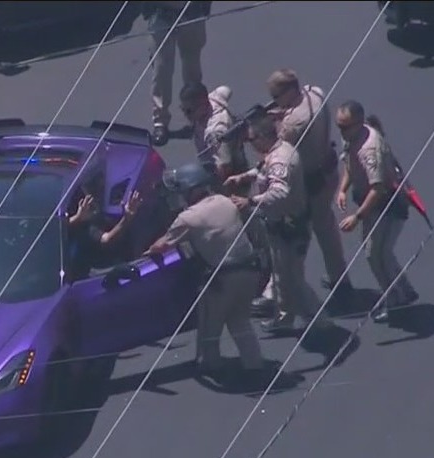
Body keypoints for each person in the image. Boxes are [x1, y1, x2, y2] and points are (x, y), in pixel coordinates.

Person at [144, 162, 268, 381]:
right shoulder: (224, 201)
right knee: (240, 320)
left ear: (190, 190)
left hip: (223, 278)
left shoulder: (188, 218)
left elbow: (162, 246)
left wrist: (147, 252)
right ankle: (255, 365)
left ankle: (210, 364)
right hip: (250, 271)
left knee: (210, 323)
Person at [226, 116, 333, 334]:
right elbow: (262, 170)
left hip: (290, 227)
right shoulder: (276, 151)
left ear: (264, 137)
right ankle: (285, 316)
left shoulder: (280, 160)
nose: (250, 143)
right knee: (280, 274)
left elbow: (279, 192)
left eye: (252, 139)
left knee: (293, 278)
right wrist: (243, 177)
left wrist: (250, 201)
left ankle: (319, 320)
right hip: (277, 225)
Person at [265, 69, 354, 312]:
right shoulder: (315, 93)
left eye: (276, 95)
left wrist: (275, 121)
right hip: (327, 168)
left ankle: (281, 291)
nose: (273, 100)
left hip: (310, 180)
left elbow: (278, 143)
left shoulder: (294, 122)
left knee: (296, 233)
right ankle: (339, 277)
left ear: (289, 91)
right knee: (326, 228)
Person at [335, 100, 419, 323]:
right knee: (384, 252)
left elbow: (378, 188)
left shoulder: (369, 149)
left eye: (345, 126)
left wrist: (357, 216)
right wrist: (343, 189)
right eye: (339, 126)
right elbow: (350, 165)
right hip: (375, 202)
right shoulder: (353, 137)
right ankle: (405, 289)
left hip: (386, 205)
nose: (341, 131)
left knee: (375, 254)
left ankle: (393, 299)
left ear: (359, 123)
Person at [142, 1, 212, 146]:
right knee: (161, 70)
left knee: (192, 68)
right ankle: (160, 122)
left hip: (192, 11)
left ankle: (196, 113)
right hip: (161, 13)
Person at [178, 82, 250, 181]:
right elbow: (225, 89)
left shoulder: (215, 131)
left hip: (233, 178)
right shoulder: (215, 99)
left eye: (189, 111)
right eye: (183, 109)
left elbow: (225, 166)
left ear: (203, 105)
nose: (186, 115)